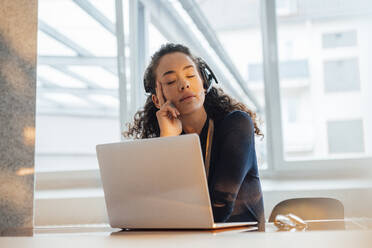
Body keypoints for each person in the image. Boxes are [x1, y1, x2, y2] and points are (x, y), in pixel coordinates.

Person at [124, 43, 265, 231]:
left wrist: (168, 212)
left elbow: (219, 210)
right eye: (171, 81)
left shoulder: (237, 125)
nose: (184, 84)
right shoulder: (166, 140)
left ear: (205, 83)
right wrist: (168, 139)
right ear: (157, 99)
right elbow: (149, 212)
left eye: (190, 75)